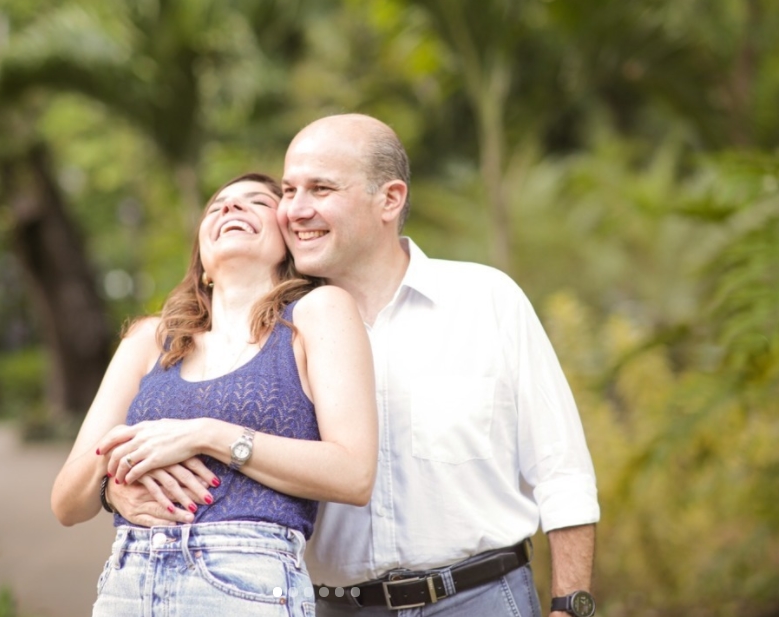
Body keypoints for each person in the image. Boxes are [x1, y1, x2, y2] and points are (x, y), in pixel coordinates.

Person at [108, 115, 601, 617]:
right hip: (333, 607)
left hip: (479, 598)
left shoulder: (485, 300)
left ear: (389, 199)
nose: (296, 210)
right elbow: (219, 469)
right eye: (290, 191)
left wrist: (571, 605)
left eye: (320, 189)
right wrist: (117, 492)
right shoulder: (265, 338)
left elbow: (562, 471)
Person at [51, 172, 378, 617]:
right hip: (127, 582)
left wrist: (207, 435)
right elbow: (67, 503)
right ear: (202, 263)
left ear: (288, 244)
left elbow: (354, 474)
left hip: (247, 584)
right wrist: (113, 487)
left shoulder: (318, 313)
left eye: (257, 203)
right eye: (217, 206)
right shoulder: (150, 339)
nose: (230, 208)